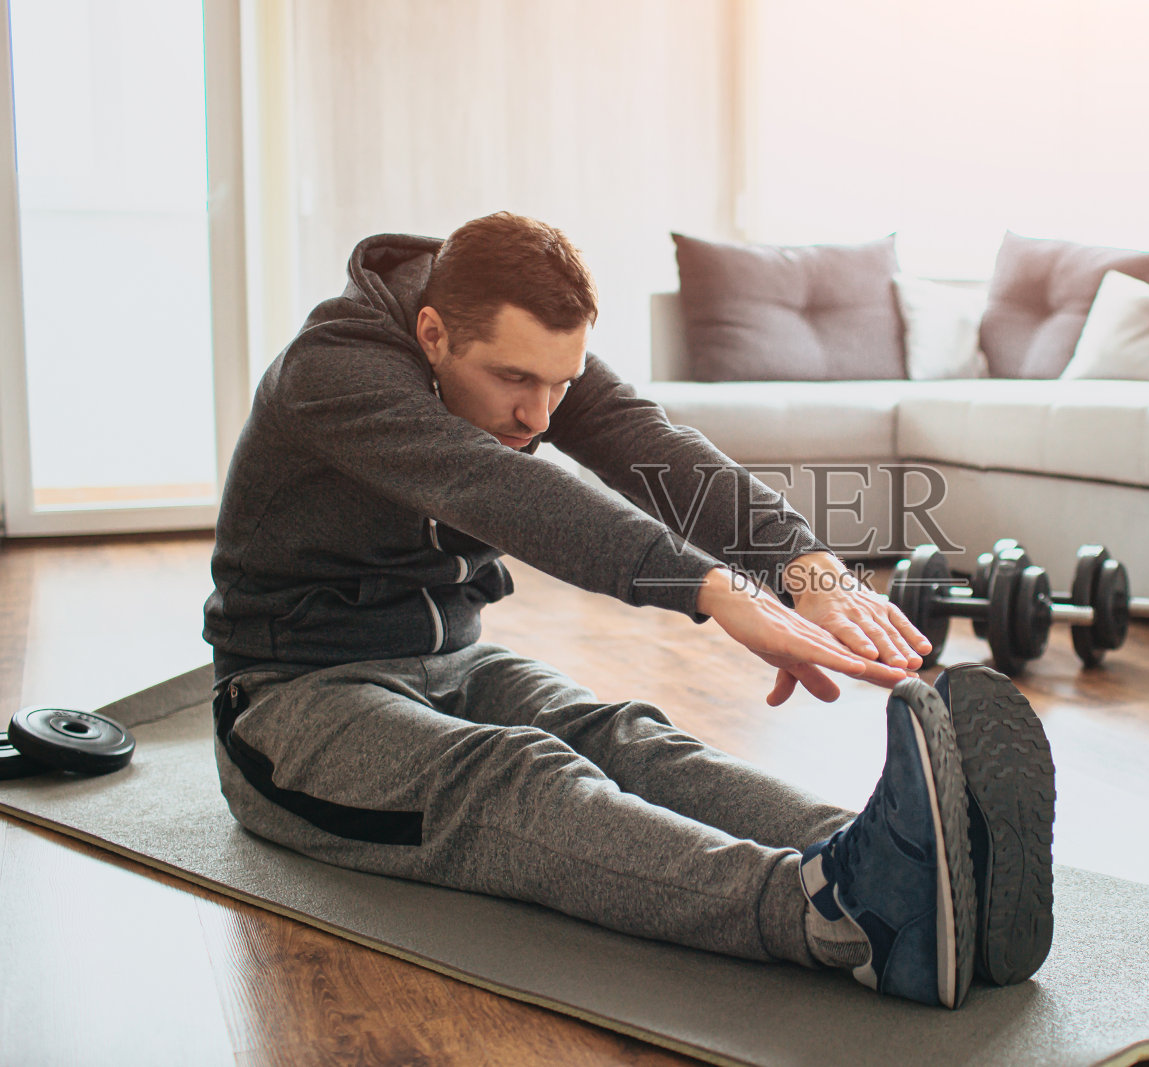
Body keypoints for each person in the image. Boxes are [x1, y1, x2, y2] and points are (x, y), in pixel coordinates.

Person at [203, 212, 1055, 1009]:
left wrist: (804, 564)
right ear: (433, 335)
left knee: (624, 736)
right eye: (513, 382)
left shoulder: (511, 335)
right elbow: (511, 490)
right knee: (521, 774)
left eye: (557, 385)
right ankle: (842, 918)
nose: (538, 415)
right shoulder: (334, 373)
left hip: (451, 665)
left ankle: (920, 868)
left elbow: (653, 449)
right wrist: (714, 589)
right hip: (290, 700)